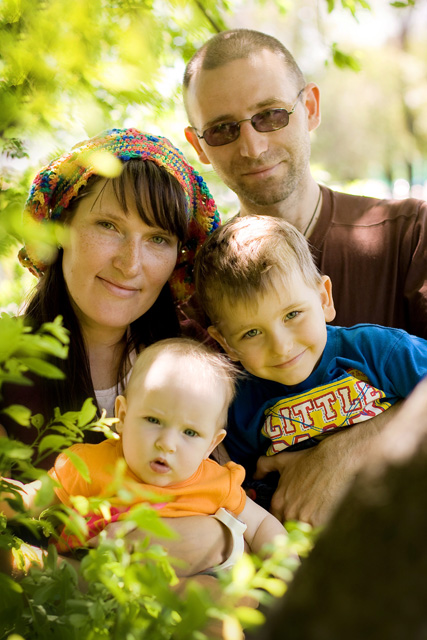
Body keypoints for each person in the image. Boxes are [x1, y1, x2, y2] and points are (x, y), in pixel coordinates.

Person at [1, 127, 237, 575]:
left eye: (158, 239)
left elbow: (245, 496)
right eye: (109, 226)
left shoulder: (201, 358)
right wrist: (74, 578)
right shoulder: (6, 361)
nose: (130, 264)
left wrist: (225, 541)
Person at [182, 28, 427, 340]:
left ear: (310, 108)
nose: (253, 148)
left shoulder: (410, 236)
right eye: (221, 129)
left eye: (270, 115)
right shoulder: (201, 286)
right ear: (198, 145)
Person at [194, 215, 427, 522]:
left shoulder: (379, 352)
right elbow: (242, 493)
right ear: (226, 343)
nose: (281, 346)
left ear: (323, 298)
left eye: (292, 314)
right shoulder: (239, 406)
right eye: (252, 333)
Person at [1, 338, 285, 571]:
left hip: (174, 594)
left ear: (211, 445)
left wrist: (283, 570)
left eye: (190, 432)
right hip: (85, 589)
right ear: (122, 416)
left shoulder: (216, 483)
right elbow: (28, 500)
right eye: (153, 420)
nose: (167, 444)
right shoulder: (88, 464)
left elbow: (261, 524)